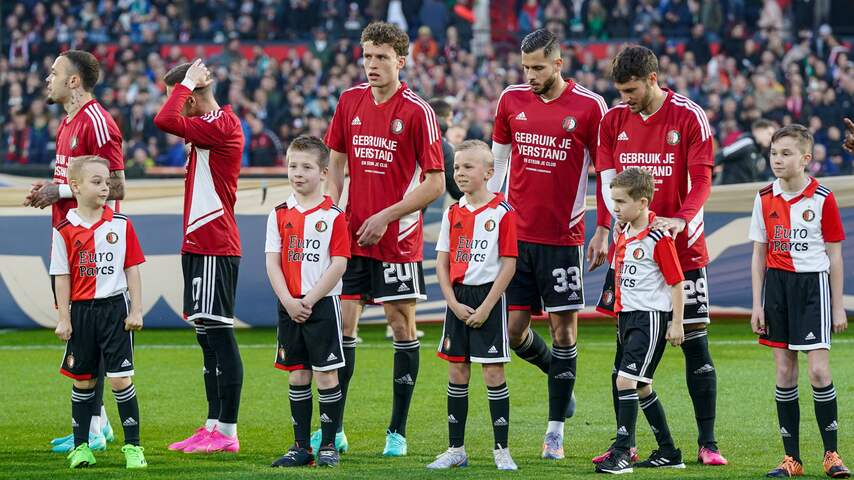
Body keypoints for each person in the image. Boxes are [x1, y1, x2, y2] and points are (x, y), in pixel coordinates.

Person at [593, 45, 728, 466]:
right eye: (620, 90)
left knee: (694, 343)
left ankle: (707, 443)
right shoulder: (613, 120)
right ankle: (626, 445)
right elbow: (608, 183)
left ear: (653, 79)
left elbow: (702, 179)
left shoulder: (688, 115)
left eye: (631, 89)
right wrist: (603, 227)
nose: (625, 98)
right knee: (624, 350)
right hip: (628, 252)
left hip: (680, 249)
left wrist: (680, 220)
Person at [324, 21, 445, 456]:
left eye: (381, 58)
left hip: (398, 241)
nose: (372, 65)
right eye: (367, 56)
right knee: (343, 325)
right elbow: (335, 162)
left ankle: (396, 430)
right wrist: (331, 209)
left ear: (401, 60)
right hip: (352, 236)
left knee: (401, 327)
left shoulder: (417, 111)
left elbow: (435, 183)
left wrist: (386, 216)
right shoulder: (349, 101)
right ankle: (333, 429)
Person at [488, 28, 608, 460]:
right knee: (515, 331)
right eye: (525, 68)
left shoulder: (591, 107)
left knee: (564, 330)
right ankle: (555, 374)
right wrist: (489, 215)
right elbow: (498, 164)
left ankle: (555, 430)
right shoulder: (510, 101)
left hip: (563, 238)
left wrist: (603, 228)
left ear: (559, 63)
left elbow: (607, 175)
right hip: (515, 237)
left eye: (538, 67)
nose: (530, 75)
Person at [23, 49, 126, 454]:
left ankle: (97, 428)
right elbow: (76, 183)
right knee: (83, 332)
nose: (47, 78)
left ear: (73, 81)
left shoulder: (97, 122)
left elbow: (116, 186)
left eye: (54, 72)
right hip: (68, 234)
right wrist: (52, 191)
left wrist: (60, 190)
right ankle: (97, 425)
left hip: (95, 242)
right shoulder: (68, 123)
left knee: (91, 332)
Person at [748, 124, 850, 479]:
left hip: (812, 288)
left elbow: (835, 256)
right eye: (774, 153)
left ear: (806, 159)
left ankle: (832, 454)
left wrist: (837, 306)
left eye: (786, 153)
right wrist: (757, 304)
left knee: (819, 371)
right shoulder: (763, 197)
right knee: (784, 371)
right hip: (776, 289)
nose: (778, 159)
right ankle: (792, 458)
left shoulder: (822, 197)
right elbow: (758, 255)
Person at [154, 59, 245, 454]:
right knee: (207, 338)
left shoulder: (222, 125)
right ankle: (211, 424)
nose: (174, 103)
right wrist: (190, 86)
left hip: (214, 243)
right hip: (198, 243)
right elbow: (171, 118)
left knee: (220, 337)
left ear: (190, 99)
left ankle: (227, 431)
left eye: (179, 96)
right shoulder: (207, 128)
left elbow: (164, 120)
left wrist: (189, 83)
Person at [50, 156, 146, 469]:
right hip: (82, 313)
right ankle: (81, 448)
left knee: (120, 379)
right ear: (75, 187)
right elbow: (62, 276)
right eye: (97, 182)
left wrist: (137, 310)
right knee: (84, 381)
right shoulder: (64, 230)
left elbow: (132, 268)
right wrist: (64, 317)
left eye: (106, 182)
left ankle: (133, 447)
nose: (105, 187)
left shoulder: (121, 224)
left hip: (115, 310)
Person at [428, 140, 518, 471]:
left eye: (468, 167)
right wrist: (451, 301)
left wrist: (487, 307)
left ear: (489, 172)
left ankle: (501, 450)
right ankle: (456, 450)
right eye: (456, 168)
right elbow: (442, 262)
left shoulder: (502, 212)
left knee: (493, 371)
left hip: (488, 299)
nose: (460, 173)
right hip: (459, 299)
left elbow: (508, 265)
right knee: (457, 370)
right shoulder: (453, 212)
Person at [594, 167, 686, 474]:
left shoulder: (658, 237)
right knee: (642, 386)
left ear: (643, 202)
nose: (615, 208)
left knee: (625, 380)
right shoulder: (622, 230)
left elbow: (676, 282)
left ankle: (622, 452)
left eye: (620, 202)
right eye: (613, 201)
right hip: (628, 317)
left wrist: (677, 323)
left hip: (650, 318)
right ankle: (669, 451)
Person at [266, 136, 350, 468]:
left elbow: (339, 263)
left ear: (324, 171)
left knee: (326, 375)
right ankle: (300, 446)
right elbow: (272, 261)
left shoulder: (333, 215)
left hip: (322, 306)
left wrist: (310, 300)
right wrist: (288, 299)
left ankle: (328, 445)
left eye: (306, 167)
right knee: (297, 374)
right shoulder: (279, 214)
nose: (297, 173)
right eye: (292, 166)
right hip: (289, 307)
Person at [429, 98, 463, 201]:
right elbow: (456, 190)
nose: (450, 125)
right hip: (411, 212)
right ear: (440, 120)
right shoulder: (442, 148)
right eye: (449, 120)